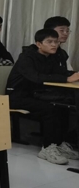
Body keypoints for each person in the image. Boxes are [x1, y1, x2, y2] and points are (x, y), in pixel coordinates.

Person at [6, 29, 79, 165]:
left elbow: (60, 73)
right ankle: (47, 148)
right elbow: (36, 77)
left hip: (36, 95)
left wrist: (73, 75)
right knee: (50, 108)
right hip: (17, 96)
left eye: (56, 42)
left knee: (63, 106)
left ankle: (58, 143)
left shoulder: (52, 57)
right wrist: (66, 79)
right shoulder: (26, 58)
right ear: (39, 44)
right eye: (49, 42)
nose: (54, 45)